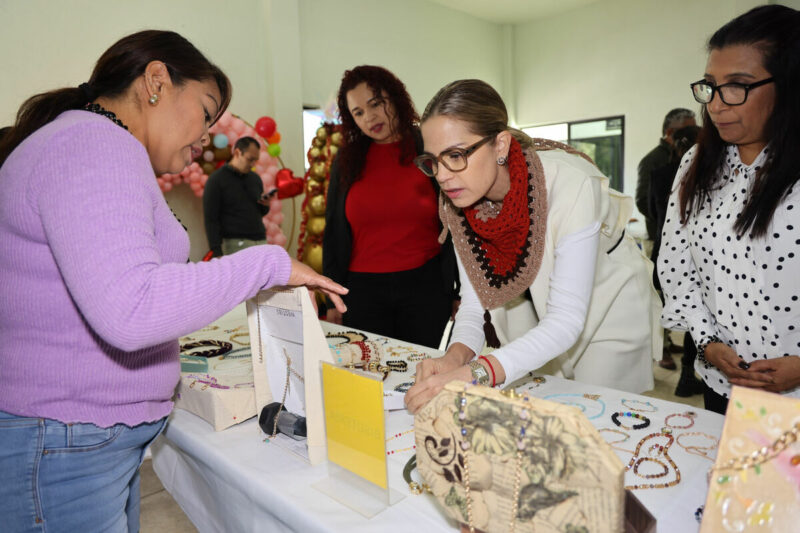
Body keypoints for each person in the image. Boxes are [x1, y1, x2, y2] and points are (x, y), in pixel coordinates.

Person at [0, 30, 347, 532]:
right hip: (64, 445)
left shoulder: (89, 143)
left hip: (77, 440)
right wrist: (265, 264)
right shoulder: (94, 143)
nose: (206, 135)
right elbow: (131, 308)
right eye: (205, 112)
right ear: (156, 81)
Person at [405, 79, 661, 413]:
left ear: (500, 145)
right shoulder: (458, 196)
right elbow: (473, 302)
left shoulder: (569, 182)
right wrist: (455, 357)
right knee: (538, 422)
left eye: (455, 155)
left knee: (598, 425)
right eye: (433, 161)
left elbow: (566, 320)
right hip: (533, 314)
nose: (442, 175)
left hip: (605, 309)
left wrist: (478, 371)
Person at [659, 4, 800, 414]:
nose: (717, 105)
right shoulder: (697, 166)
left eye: (737, 85)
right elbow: (676, 266)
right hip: (726, 386)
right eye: (709, 86)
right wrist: (707, 342)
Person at [323, 65, 458, 349]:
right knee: (371, 376)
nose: (369, 117)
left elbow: (457, 222)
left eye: (376, 104)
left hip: (426, 288)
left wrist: (460, 292)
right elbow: (334, 231)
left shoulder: (428, 146)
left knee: (420, 372)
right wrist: (330, 298)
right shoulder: (346, 161)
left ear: (395, 97)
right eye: (358, 112)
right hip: (361, 293)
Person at [637, 108, 697, 370]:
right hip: (659, 237)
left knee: (674, 294)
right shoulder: (654, 160)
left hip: (683, 241)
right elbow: (643, 201)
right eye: (688, 128)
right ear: (671, 132)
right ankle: (659, 349)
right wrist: (666, 224)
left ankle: (669, 339)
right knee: (658, 296)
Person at [648, 124, 703, 397]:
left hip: (663, 248)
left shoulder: (659, 174)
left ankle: (667, 353)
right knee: (698, 320)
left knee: (664, 301)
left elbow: (647, 207)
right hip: (694, 257)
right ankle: (686, 374)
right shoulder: (700, 171)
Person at [203, 135, 277, 257]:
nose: (253, 164)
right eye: (250, 159)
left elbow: (258, 212)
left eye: (255, 160)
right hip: (235, 243)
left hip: (260, 240)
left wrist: (265, 205)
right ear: (237, 153)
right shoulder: (217, 179)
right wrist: (216, 250)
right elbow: (211, 219)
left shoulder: (255, 178)